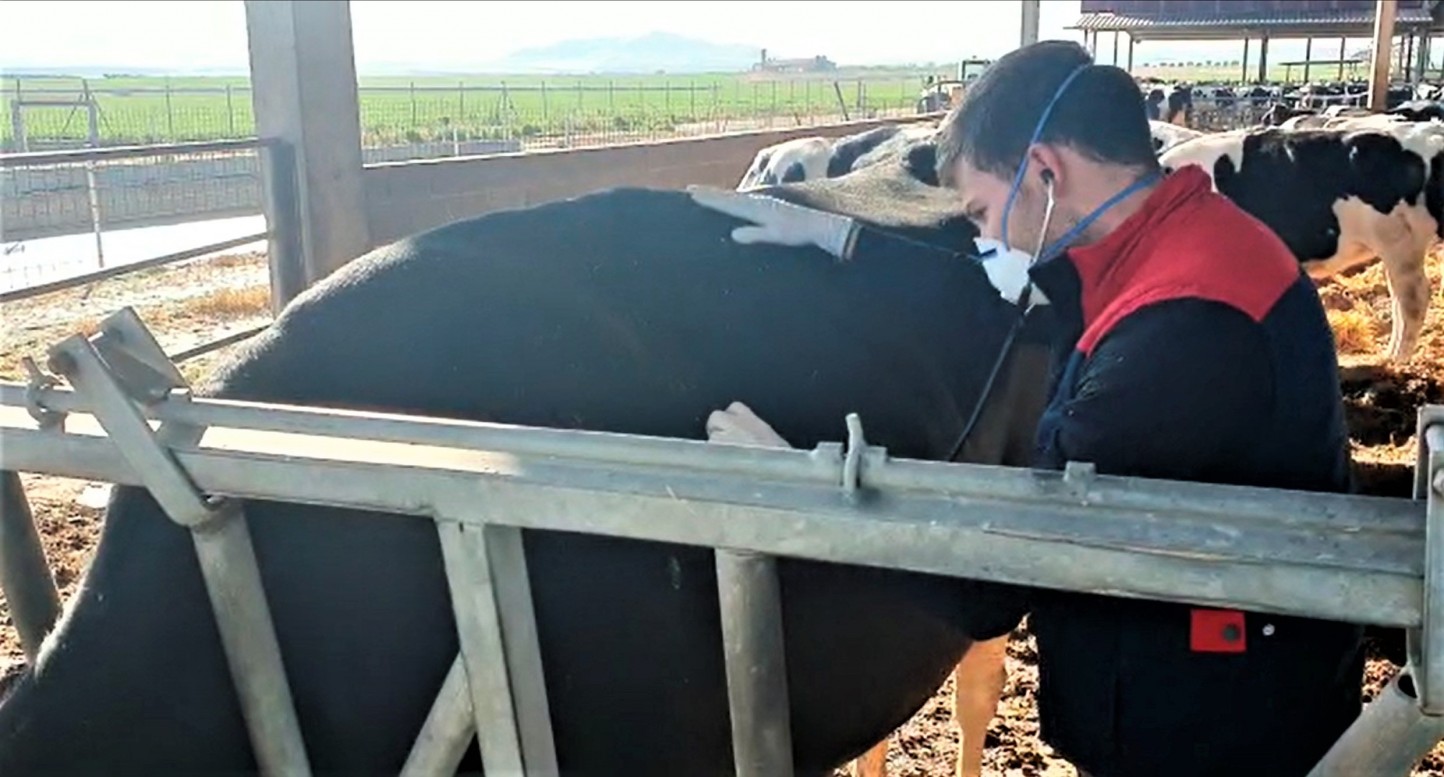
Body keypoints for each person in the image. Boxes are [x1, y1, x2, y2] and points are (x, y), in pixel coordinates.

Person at [692, 40, 1364, 777]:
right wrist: (842, 238)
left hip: (1210, 729)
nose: (984, 238)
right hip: (1216, 682)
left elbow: (996, 577)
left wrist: (806, 491)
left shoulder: (1184, 332)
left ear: (1045, 171)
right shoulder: (1180, 241)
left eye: (982, 212)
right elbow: (1015, 298)